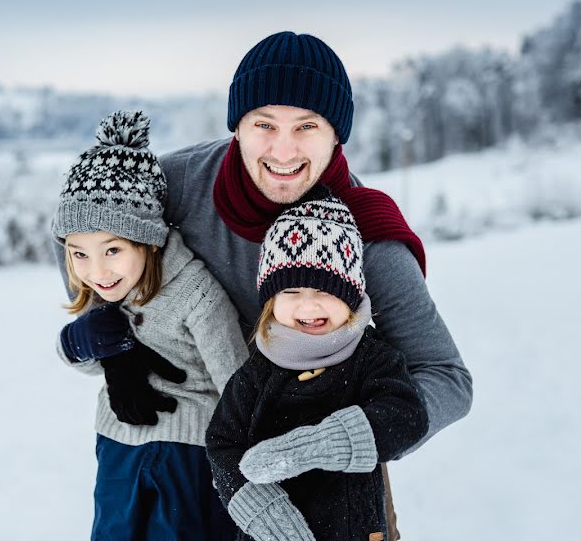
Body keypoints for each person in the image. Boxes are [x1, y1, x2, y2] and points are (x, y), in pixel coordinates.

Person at [55, 31, 473, 539]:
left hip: (335, 493)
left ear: (337, 134)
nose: (283, 149)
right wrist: (114, 338)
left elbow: (447, 377)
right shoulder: (181, 183)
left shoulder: (365, 233)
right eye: (264, 124)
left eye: (307, 126)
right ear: (238, 126)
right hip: (197, 465)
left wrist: (345, 437)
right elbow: (80, 228)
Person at [52, 110, 248, 540]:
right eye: (79, 254)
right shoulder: (107, 293)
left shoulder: (196, 294)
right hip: (117, 444)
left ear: (147, 239)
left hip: (189, 456)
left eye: (112, 249)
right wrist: (80, 342)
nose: (97, 270)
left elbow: (236, 383)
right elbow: (87, 362)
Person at [206, 187, 429, 540]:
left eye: (325, 291)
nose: (308, 308)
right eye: (291, 293)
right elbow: (222, 444)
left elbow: (407, 415)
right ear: (270, 301)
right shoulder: (257, 372)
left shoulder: (370, 358)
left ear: (351, 295)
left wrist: (322, 444)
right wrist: (263, 510)